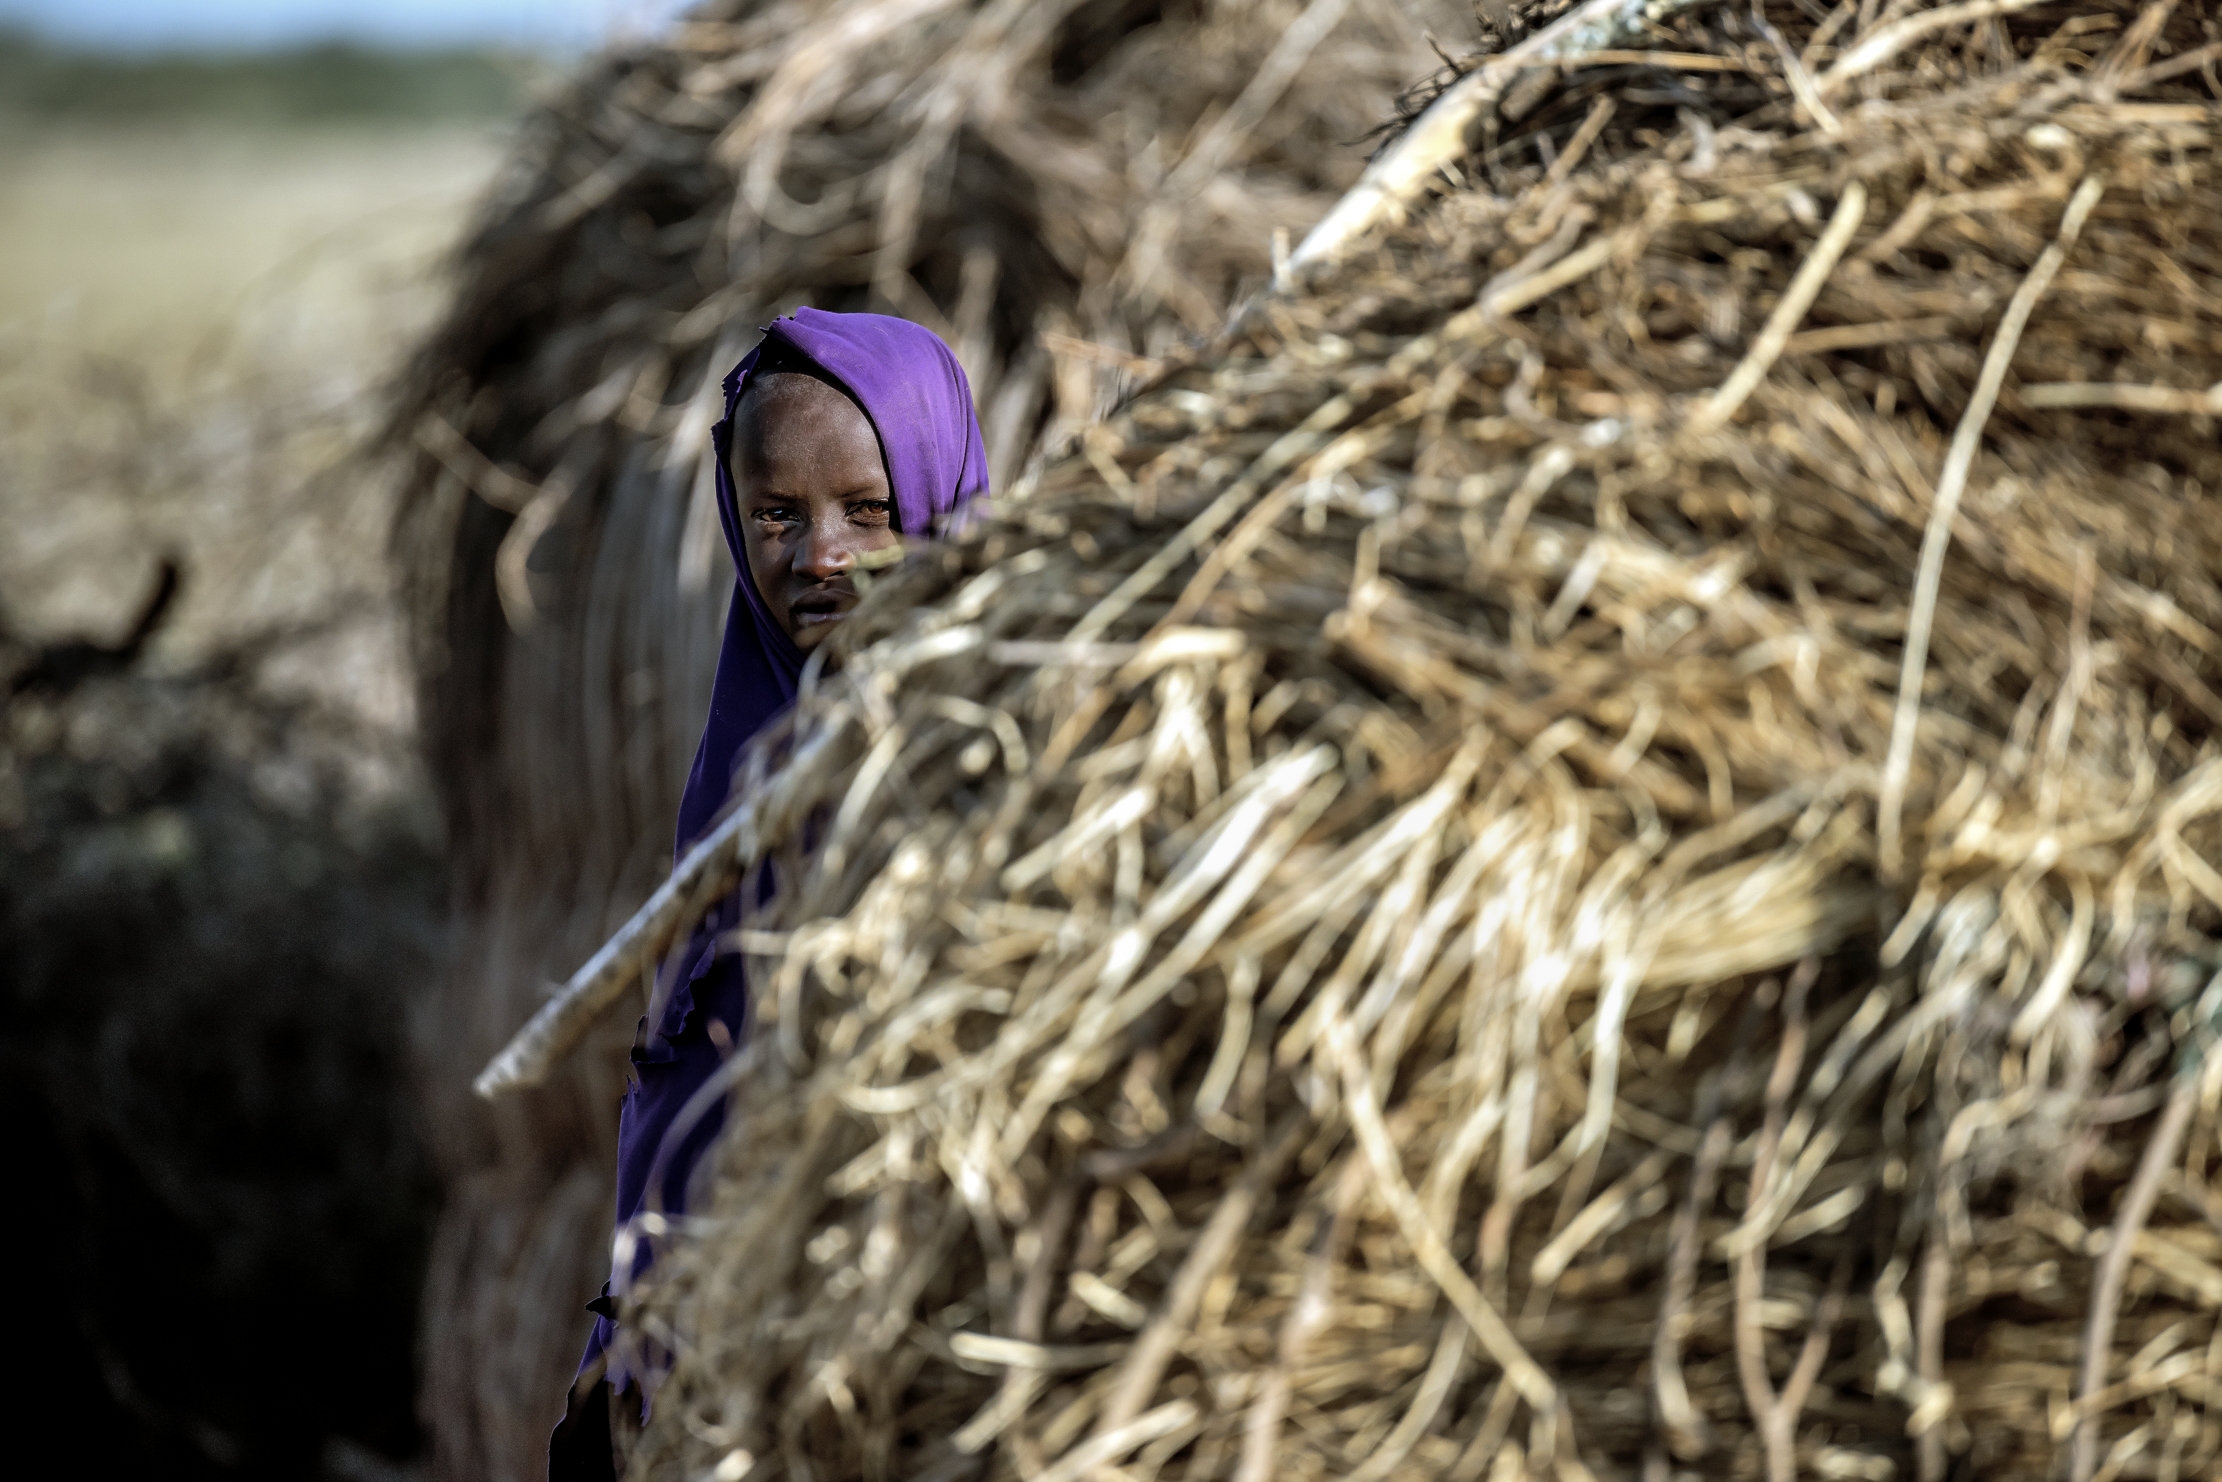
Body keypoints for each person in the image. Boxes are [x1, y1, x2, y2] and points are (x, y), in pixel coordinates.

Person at [548, 309, 990, 1482]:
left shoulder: (999, 773)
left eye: (868, 509)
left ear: (938, 496)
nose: (821, 555)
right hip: (709, 1375)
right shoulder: (744, 771)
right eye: (777, 517)